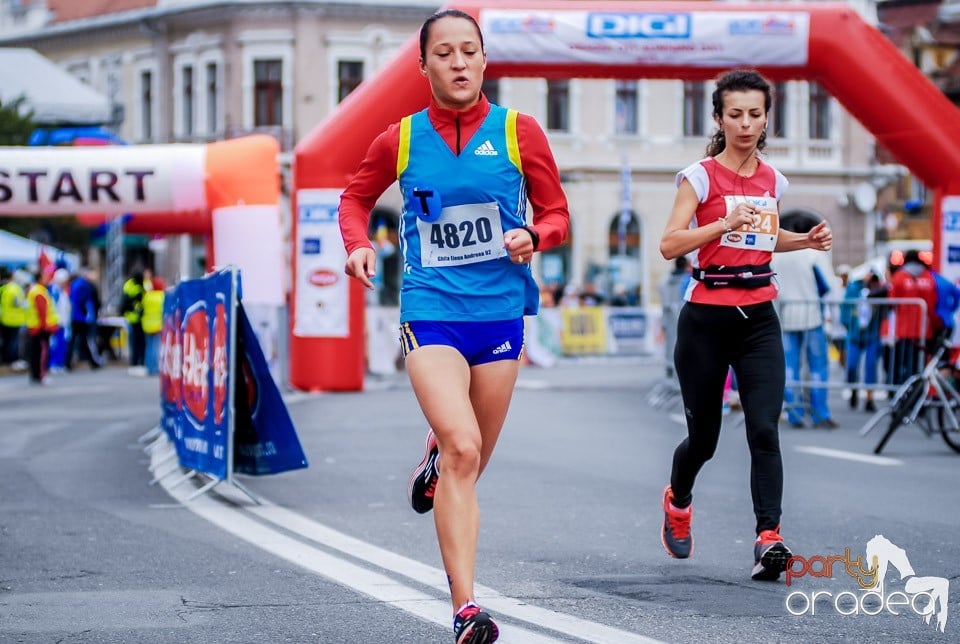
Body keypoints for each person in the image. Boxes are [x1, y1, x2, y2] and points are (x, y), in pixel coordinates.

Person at [338, 9, 570, 642]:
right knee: (463, 447)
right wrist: (357, 243)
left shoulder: (520, 133)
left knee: (468, 462)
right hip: (432, 310)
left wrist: (533, 234)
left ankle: (435, 461)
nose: (459, 62)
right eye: (444, 53)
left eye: (469, 50)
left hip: (499, 318)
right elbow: (355, 197)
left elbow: (557, 214)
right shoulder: (403, 138)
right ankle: (466, 607)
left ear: (485, 60)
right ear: (424, 66)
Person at [657, 69, 832, 582]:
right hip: (705, 320)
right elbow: (670, 244)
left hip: (758, 317)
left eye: (755, 114)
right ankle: (679, 500)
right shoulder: (700, 176)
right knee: (705, 439)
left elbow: (762, 239)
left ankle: (768, 538)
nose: (746, 123)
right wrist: (719, 224)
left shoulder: (773, 180)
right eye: (735, 114)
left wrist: (806, 241)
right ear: (718, 118)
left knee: (763, 428)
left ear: (765, 119)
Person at [770, 232, 838, 429]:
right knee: (817, 366)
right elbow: (827, 285)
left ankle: (794, 413)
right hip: (811, 316)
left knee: (789, 368)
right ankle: (820, 413)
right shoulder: (813, 254)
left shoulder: (778, 255)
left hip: (787, 315)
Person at [887, 249, 938, 385]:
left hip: (904, 330)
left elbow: (891, 302)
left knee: (901, 364)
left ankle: (902, 394)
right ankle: (917, 394)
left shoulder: (899, 276)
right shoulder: (928, 277)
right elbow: (932, 304)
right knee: (919, 365)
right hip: (923, 330)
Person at [841, 270, 886, 412]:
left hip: (872, 334)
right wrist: (848, 326)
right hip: (855, 334)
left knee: (871, 365)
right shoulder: (854, 289)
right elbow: (845, 309)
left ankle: (869, 398)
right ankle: (853, 389)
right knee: (852, 365)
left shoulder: (878, 290)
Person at [658, 256, 691, 381]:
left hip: (669, 318)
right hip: (683, 318)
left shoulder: (665, 281)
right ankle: (678, 381)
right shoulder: (688, 280)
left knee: (670, 349)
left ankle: (670, 377)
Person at [25, 266, 60, 384]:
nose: (47, 279)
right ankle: (40, 375)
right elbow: (42, 311)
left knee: (36, 352)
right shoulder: (39, 291)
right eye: (45, 277)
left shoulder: (34, 290)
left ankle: (35, 375)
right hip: (40, 327)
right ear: (40, 278)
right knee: (41, 352)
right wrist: (46, 326)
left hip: (34, 325)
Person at [67, 267, 103, 370]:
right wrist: (88, 313)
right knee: (84, 340)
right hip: (82, 317)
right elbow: (85, 301)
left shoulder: (74, 285)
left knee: (75, 340)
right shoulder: (84, 285)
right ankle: (92, 362)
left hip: (75, 316)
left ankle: (69, 362)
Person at [120, 269, 148, 373]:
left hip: (133, 317)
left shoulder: (128, 284)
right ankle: (137, 362)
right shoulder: (134, 286)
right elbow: (133, 301)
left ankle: (135, 363)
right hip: (136, 317)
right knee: (138, 342)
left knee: (135, 341)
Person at [0, 266, 28, 368]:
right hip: (14, 320)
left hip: (4, 319)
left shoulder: (3, 288)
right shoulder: (15, 288)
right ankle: (12, 360)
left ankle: (5, 360)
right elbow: (18, 303)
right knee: (13, 342)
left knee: (6, 341)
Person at [142, 275, 166, 376]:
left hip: (147, 324)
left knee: (149, 347)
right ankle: (156, 368)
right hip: (157, 325)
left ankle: (149, 367)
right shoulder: (162, 297)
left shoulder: (147, 296)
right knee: (156, 347)